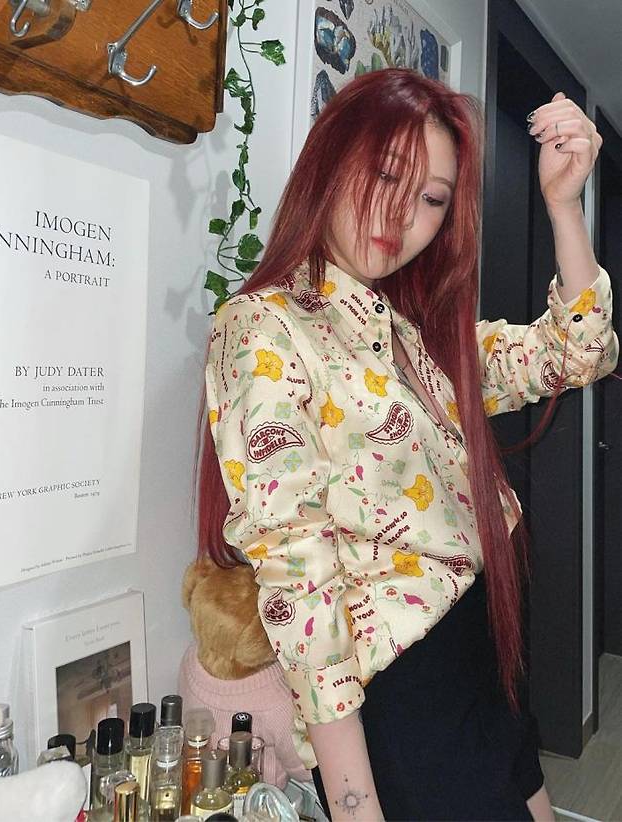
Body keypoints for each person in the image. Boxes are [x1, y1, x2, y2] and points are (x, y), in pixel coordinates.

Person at [193, 68, 619, 821]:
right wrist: (354, 804)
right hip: (403, 700)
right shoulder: (265, 326)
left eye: (432, 198)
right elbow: (300, 580)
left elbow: (579, 352)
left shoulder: (418, 338)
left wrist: (564, 204)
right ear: (331, 160)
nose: (403, 214)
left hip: (484, 657)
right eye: (387, 174)